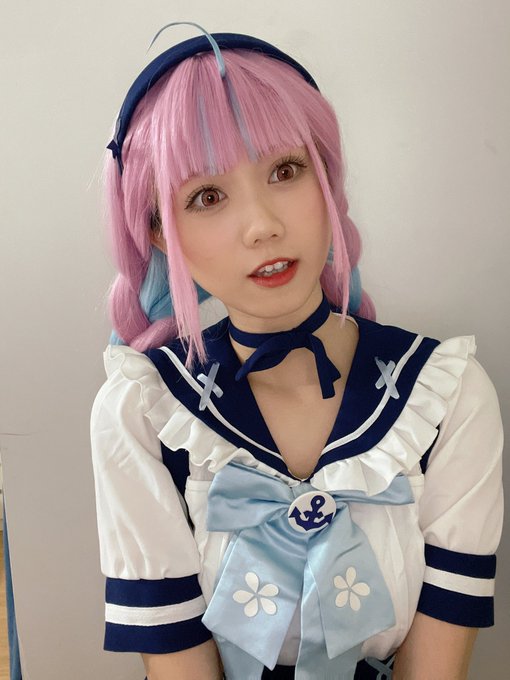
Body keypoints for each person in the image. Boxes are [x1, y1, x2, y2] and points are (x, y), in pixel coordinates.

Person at [91, 23, 504, 680]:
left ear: (327, 180)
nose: (263, 225)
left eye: (286, 170)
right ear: (161, 233)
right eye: (207, 196)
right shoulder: (143, 415)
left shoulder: (446, 396)